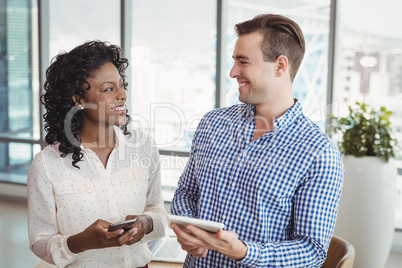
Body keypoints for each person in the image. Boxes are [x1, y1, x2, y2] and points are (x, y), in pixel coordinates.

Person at [170, 14, 344, 267]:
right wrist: (188, 229)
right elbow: (187, 193)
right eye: (234, 61)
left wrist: (243, 252)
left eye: (243, 62)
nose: (232, 72)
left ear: (280, 66)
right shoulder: (212, 124)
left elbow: (312, 251)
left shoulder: (318, 153)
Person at [27, 40, 167, 268]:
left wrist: (145, 224)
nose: (122, 95)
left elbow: (157, 210)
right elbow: (39, 241)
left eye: (121, 86)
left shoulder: (143, 147)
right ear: (79, 100)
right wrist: (81, 242)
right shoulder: (46, 164)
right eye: (109, 89)